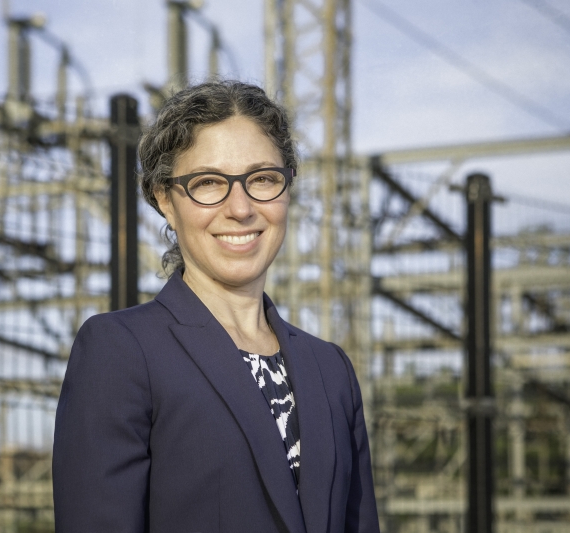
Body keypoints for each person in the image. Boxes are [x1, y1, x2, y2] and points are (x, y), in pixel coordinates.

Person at [53, 80, 379, 533]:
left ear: (286, 190)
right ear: (165, 200)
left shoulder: (331, 369)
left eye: (263, 178)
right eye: (208, 183)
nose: (241, 208)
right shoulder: (121, 351)